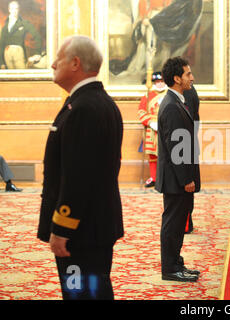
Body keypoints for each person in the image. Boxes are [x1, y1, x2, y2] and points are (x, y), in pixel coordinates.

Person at [37, 35, 124, 300]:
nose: (52, 64)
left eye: (58, 59)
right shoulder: (97, 102)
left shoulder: (83, 108)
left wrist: (62, 229)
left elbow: (78, 177)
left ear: (75, 63)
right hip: (92, 224)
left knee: (81, 295)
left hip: (81, 230)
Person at [156, 56, 201, 281]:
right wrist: (186, 179)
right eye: (188, 74)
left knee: (177, 221)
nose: (192, 78)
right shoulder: (172, 106)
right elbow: (177, 148)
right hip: (176, 179)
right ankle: (170, 269)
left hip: (178, 177)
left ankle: (176, 263)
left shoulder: (177, 101)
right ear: (176, 79)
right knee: (172, 223)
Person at [138, 71, 168, 188]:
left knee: (166, 154)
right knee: (152, 155)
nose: (159, 84)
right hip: (151, 129)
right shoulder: (147, 95)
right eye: (157, 82)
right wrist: (150, 122)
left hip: (166, 128)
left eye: (161, 81)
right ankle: (154, 178)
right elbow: (141, 111)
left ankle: (165, 178)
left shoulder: (169, 94)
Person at [0, 1, 43, 69]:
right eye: (12, 8)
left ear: (18, 10)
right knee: (10, 76)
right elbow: (1, 44)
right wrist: (1, 62)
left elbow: (37, 36)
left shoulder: (24, 23)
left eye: (16, 8)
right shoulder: (5, 25)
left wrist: (37, 53)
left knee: (22, 74)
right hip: (7, 53)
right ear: (9, 9)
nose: (14, 11)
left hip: (18, 52)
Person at [183, 85, 200, 234]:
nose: (192, 78)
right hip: (189, 144)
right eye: (189, 74)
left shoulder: (187, 91)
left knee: (185, 188)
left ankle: (186, 222)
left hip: (184, 147)